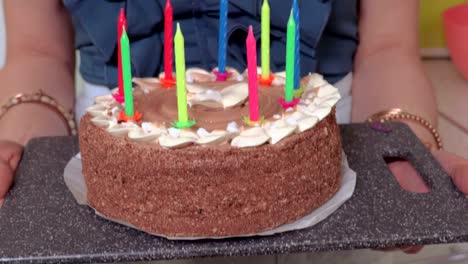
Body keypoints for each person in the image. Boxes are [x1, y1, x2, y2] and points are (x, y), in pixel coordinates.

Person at [0, 0, 467, 263]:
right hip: (115, 151)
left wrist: (400, 144)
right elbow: (38, 52)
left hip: (328, 150)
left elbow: (388, 47)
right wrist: (22, 153)